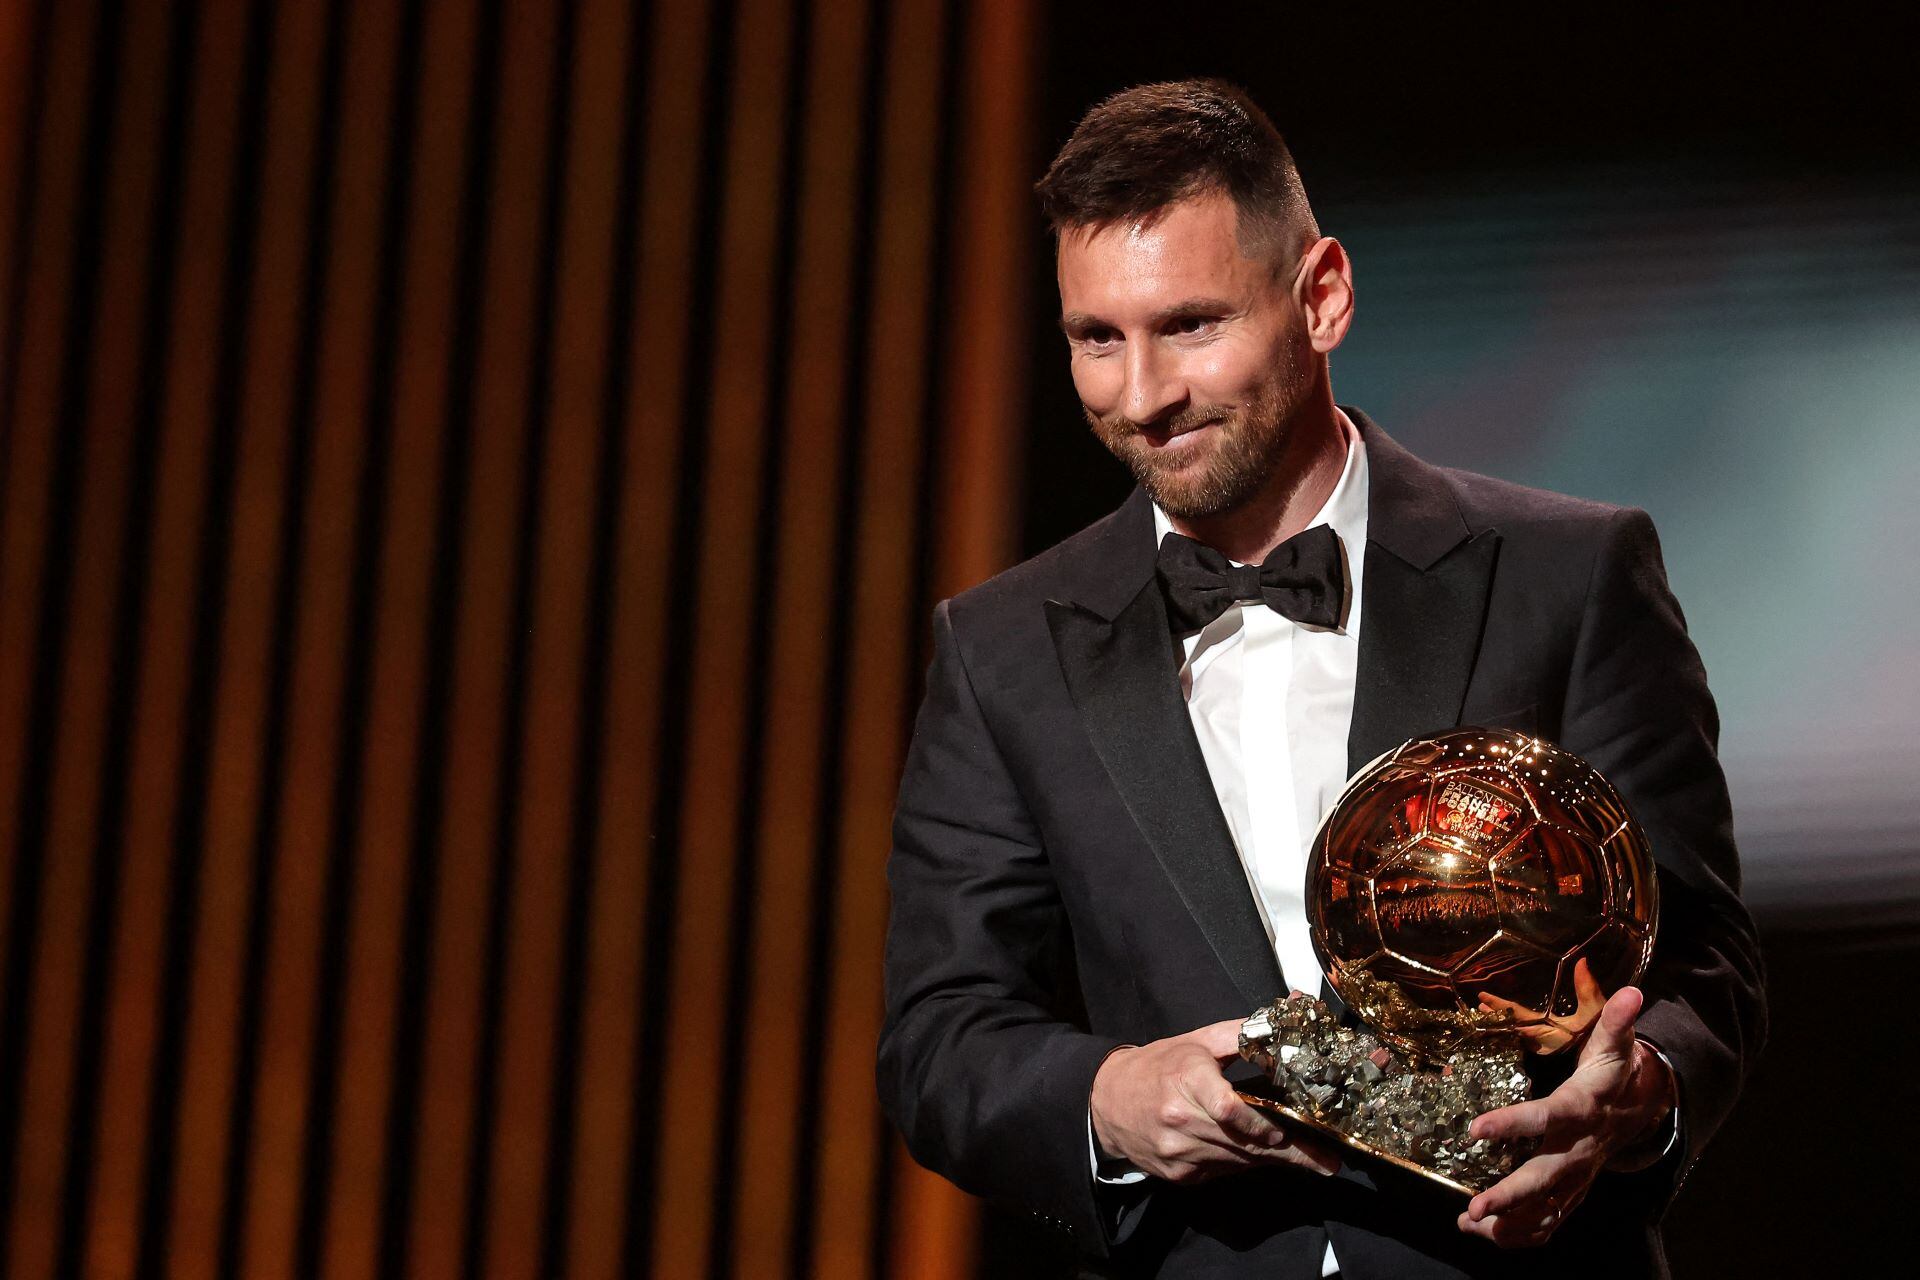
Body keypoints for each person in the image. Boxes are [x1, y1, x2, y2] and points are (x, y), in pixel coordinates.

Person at [876, 80, 1764, 1278]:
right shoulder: (1003, 648)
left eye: (1190, 325)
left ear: (1323, 296)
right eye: (1098, 337)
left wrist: (1634, 1092)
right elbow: (939, 1036)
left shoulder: (1572, 572)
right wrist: (1109, 1093)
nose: (1141, 397)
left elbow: (1704, 962)